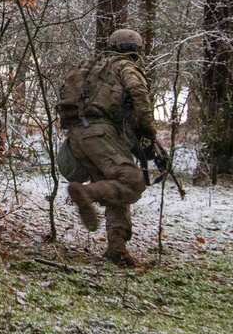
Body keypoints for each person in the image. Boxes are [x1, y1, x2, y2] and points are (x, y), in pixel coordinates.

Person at [65, 29, 162, 267]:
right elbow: (138, 92)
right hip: (101, 133)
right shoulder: (124, 67)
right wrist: (149, 131)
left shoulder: (91, 67)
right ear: (136, 51)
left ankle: (117, 250)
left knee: (116, 191)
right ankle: (86, 193)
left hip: (77, 137)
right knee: (134, 180)